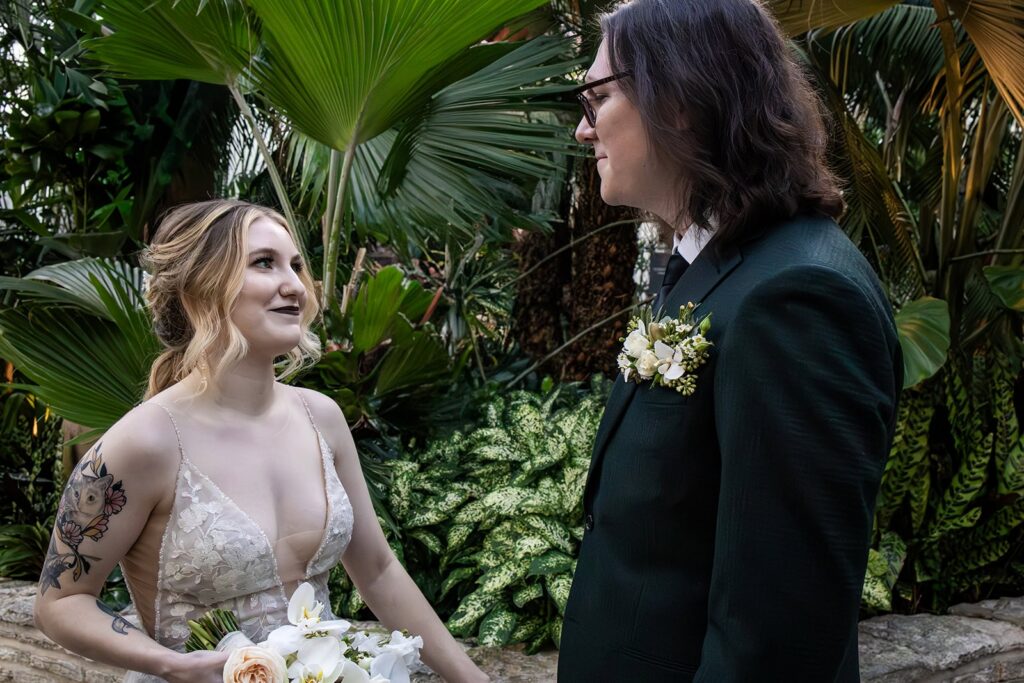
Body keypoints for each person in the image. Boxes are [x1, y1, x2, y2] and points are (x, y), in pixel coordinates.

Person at [557, 1, 902, 680]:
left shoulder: (799, 300)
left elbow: (775, 638)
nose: (581, 127)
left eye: (596, 98)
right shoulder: (710, 267)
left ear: (680, 99)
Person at [34, 200, 487, 683]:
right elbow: (60, 601)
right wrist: (170, 663)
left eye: (295, 264)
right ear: (199, 288)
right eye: (263, 263)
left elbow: (376, 571)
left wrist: (475, 681)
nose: (294, 285)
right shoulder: (143, 443)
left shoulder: (323, 419)